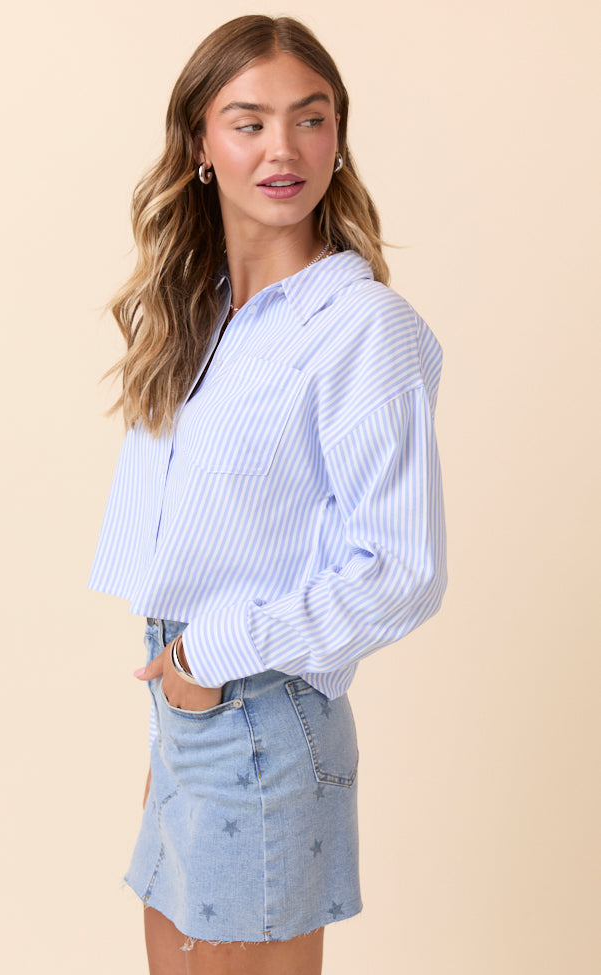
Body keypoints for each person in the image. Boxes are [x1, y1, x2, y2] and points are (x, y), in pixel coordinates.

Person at [89, 14, 447, 975]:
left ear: (338, 137)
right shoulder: (199, 314)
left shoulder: (360, 327)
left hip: (259, 712)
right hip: (186, 708)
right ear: (200, 146)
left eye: (310, 118)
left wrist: (209, 653)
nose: (283, 148)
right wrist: (182, 676)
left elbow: (403, 570)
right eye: (249, 122)